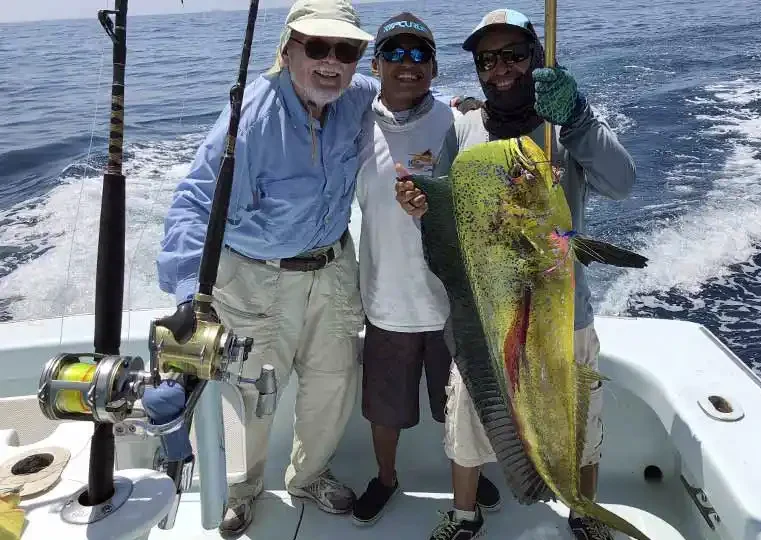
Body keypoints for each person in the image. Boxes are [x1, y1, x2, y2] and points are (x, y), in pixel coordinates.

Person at [395, 8, 636, 540]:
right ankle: (464, 515)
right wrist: (420, 202)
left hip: (560, 305)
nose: (500, 67)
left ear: (537, 57)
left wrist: (574, 116)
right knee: (467, 415)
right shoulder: (467, 128)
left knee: (577, 415)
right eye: (488, 59)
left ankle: (585, 512)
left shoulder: (567, 124)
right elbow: (448, 203)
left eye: (513, 55)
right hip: (488, 310)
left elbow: (621, 182)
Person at [155, 0, 378, 536]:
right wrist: (190, 292)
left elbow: (414, 97)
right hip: (255, 277)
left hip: (332, 269)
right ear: (287, 50)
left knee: (334, 383)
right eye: (317, 47)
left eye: (345, 50)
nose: (331, 62)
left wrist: (472, 109)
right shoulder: (250, 118)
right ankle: (242, 486)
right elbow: (193, 203)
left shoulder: (357, 97)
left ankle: (309, 475)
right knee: (252, 389)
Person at [351, 12, 501, 527]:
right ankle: (386, 478)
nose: (408, 65)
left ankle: (471, 476)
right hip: (384, 300)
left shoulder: (461, 122)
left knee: (458, 407)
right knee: (384, 411)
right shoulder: (355, 126)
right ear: (378, 65)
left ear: (435, 68)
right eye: (396, 53)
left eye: (420, 55)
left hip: (450, 303)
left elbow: (485, 204)